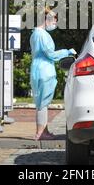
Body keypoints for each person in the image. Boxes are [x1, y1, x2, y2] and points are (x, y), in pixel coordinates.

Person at [30, 8, 76, 140]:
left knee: (41, 103)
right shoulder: (42, 35)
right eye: (54, 20)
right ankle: (41, 133)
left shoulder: (35, 33)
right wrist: (67, 52)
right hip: (45, 71)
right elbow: (50, 54)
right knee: (43, 103)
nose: (55, 23)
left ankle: (43, 131)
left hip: (38, 70)